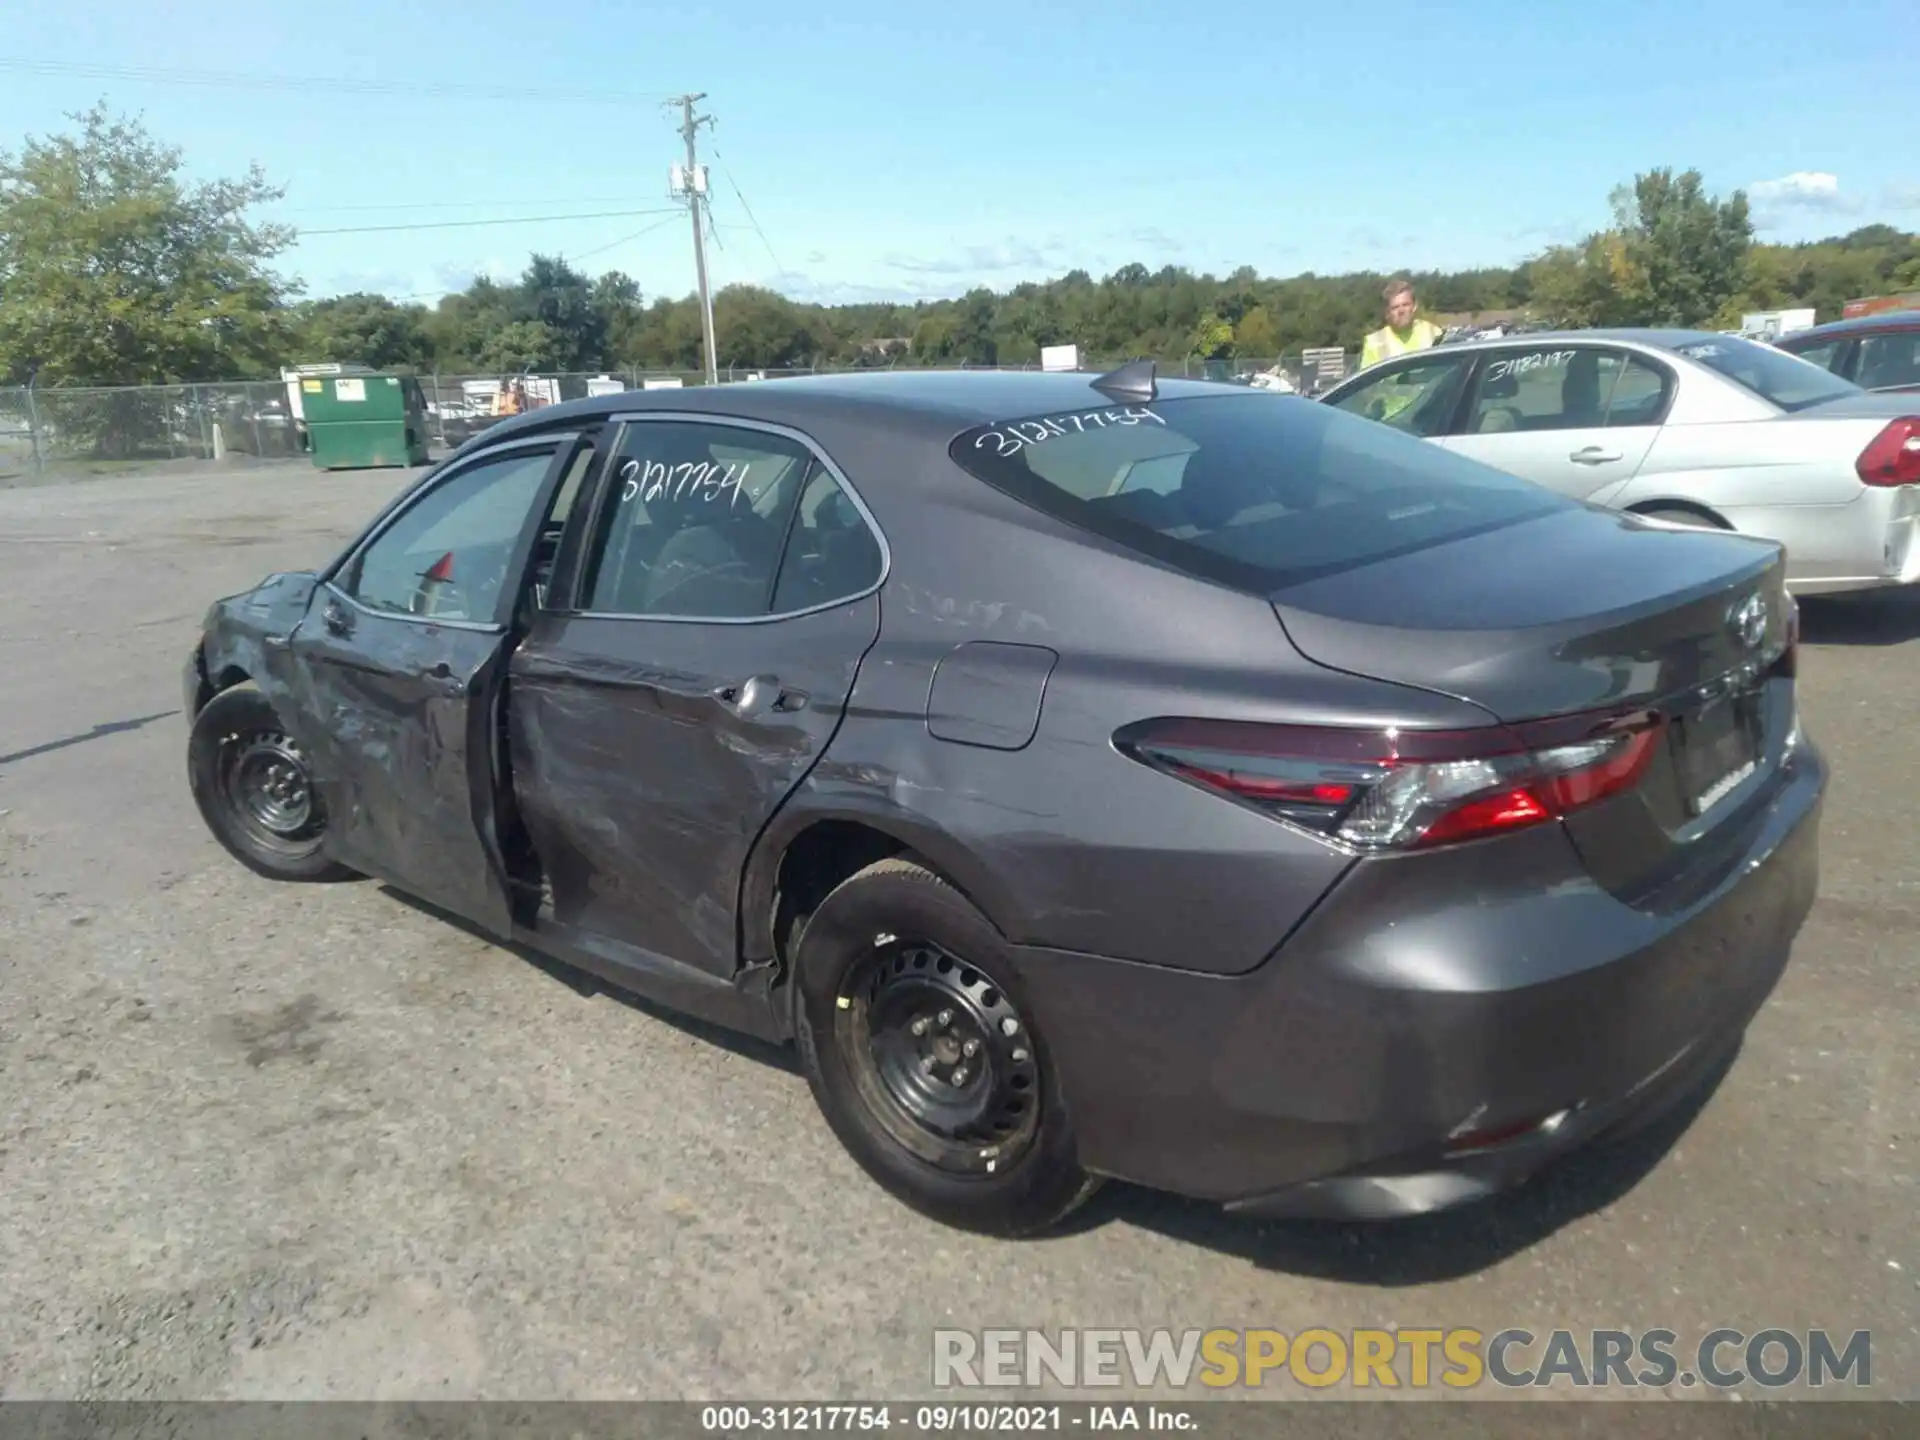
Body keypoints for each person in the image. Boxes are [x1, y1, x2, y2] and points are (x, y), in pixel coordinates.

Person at [1360, 278, 1444, 370]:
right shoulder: (1374, 342)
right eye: (1395, 307)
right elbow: (1367, 380)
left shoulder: (1435, 333)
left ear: (1414, 306)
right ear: (1387, 312)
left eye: (1406, 305)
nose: (1401, 311)